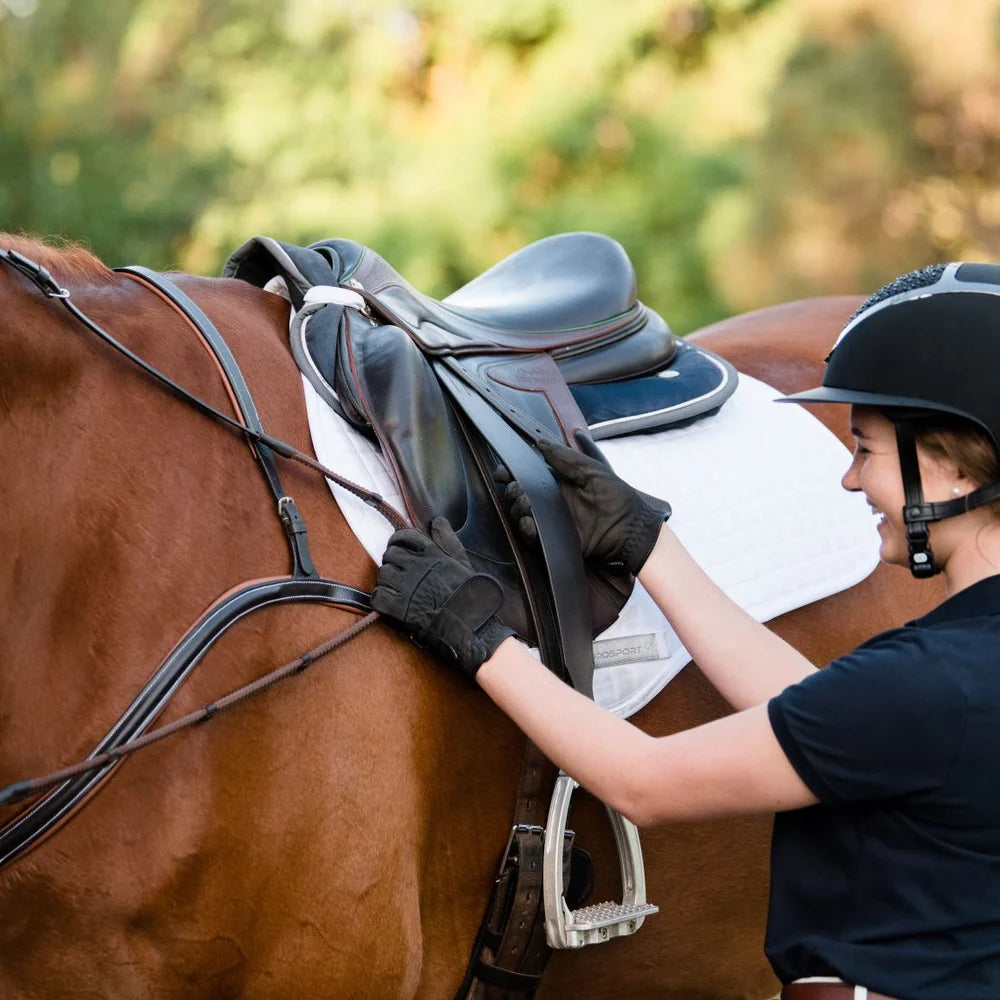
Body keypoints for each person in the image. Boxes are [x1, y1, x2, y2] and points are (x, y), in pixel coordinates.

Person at [372, 262, 1000, 1000]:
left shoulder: (931, 679)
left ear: (954, 468)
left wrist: (479, 640)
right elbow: (820, 710)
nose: (850, 480)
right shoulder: (955, 671)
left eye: (866, 450)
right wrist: (649, 544)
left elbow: (643, 783)